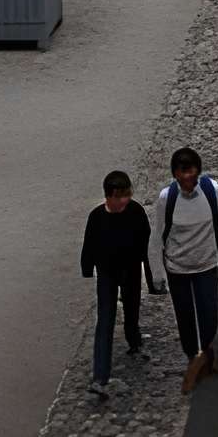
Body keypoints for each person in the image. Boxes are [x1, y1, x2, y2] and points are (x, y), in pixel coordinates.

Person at [153, 145, 218, 395]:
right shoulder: (166, 199)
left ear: (198, 170)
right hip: (177, 268)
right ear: (175, 173)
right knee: (184, 318)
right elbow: (157, 237)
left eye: (191, 170)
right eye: (182, 171)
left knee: (209, 315)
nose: (187, 177)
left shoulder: (211, 192)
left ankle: (204, 353)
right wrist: (157, 274)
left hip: (205, 265)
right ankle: (196, 358)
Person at [81, 169, 155, 401]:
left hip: (131, 271)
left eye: (127, 194)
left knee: (132, 310)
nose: (125, 199)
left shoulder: (136, 212)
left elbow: (147, 246)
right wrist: (86, 269)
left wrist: (152, 279)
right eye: (120, 195)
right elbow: (89, 245)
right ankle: (100, 377)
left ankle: (135, 342)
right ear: (109, 197)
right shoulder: (96, 217)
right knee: (105, 320)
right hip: (107, 275)